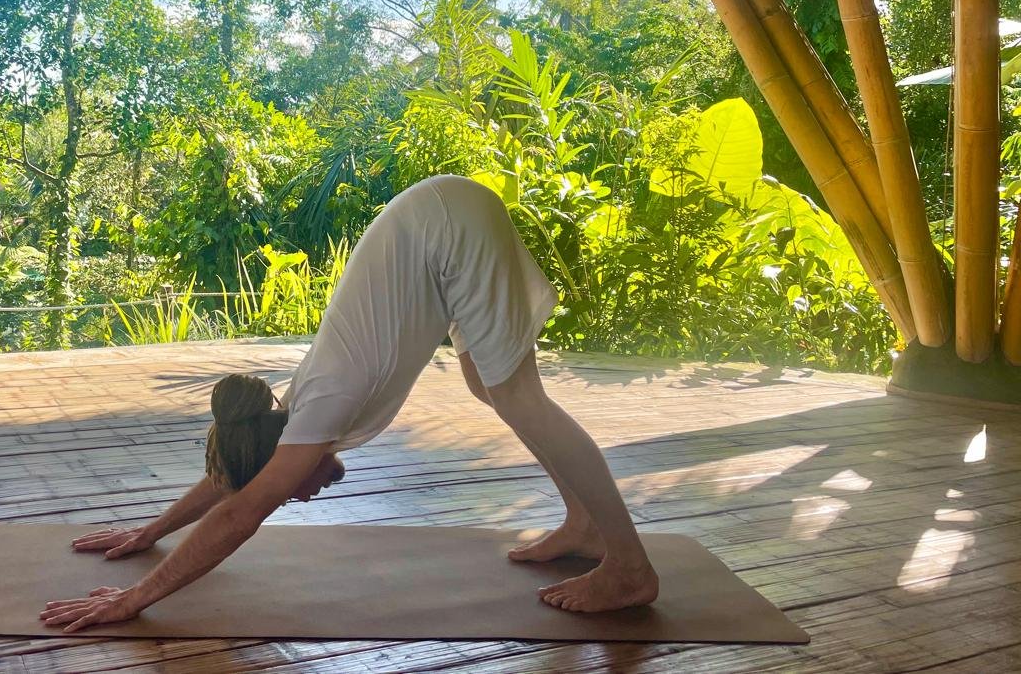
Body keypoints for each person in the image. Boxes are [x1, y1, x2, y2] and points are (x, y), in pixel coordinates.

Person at [40, 174, 658, 633]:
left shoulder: (321, 407)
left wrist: (134, 600)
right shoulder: (280, 416)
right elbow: (235, 484)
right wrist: (151, 532)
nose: (301, 494)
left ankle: (629, 566)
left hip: (446, 227)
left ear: (281, 453)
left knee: (521, 397)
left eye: (292, 488)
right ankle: (583, 524)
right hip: (438, 220)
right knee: (489, 387)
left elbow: (239, 511)